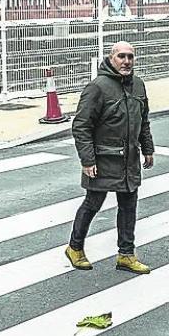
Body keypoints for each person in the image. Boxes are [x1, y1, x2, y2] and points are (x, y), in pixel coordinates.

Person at [65, 41, 155, 274]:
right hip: (103, 159)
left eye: (130, 57)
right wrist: (87, 160)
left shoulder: (139, 86)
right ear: (111, 58)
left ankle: (126, 254)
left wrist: (148, 148)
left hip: (129, 160)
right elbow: (81, 126)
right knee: (93, 203)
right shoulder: (98, 87)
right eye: (121, 56)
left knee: (128, 206)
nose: (126, 61)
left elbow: (143, 121)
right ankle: (75, 247)